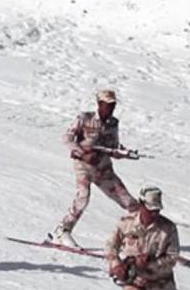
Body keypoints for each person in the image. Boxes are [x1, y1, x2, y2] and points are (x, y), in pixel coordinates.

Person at [50, 89, 137, 247]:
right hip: (83, 167)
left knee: (128, 201)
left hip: (103, 169)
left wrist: (121, 153)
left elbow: (112, 146)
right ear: (99, 104)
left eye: (113, 105)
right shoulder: (84, 118)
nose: (111, 108)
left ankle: (138, 237)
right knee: (83, 197)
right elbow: (67, 138)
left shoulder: (113, 123)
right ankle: (62, 231)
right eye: (107, 104)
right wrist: (82, 154)